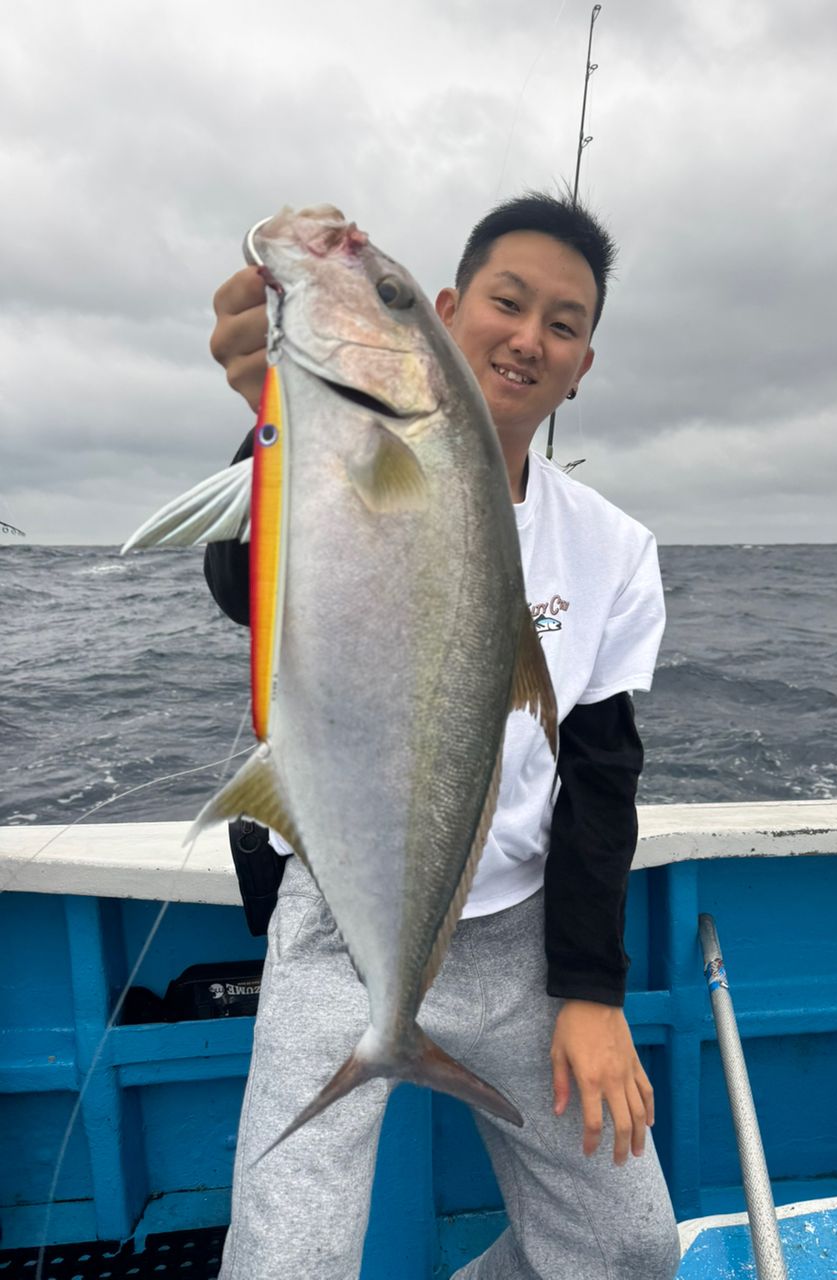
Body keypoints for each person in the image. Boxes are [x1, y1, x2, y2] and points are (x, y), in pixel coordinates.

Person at [204, 192, 680, 1280]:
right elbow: (240, 584)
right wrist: (274, 414)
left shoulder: (612, 549)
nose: (530, 337)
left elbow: (602, 779)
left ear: (583, 365)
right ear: (450, 311)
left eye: (564, 323)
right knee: (283, 1263)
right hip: (339, 916)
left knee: (631, 1246)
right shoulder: (334, 452)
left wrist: (592, 991)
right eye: (509, 302)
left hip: (524, 941)